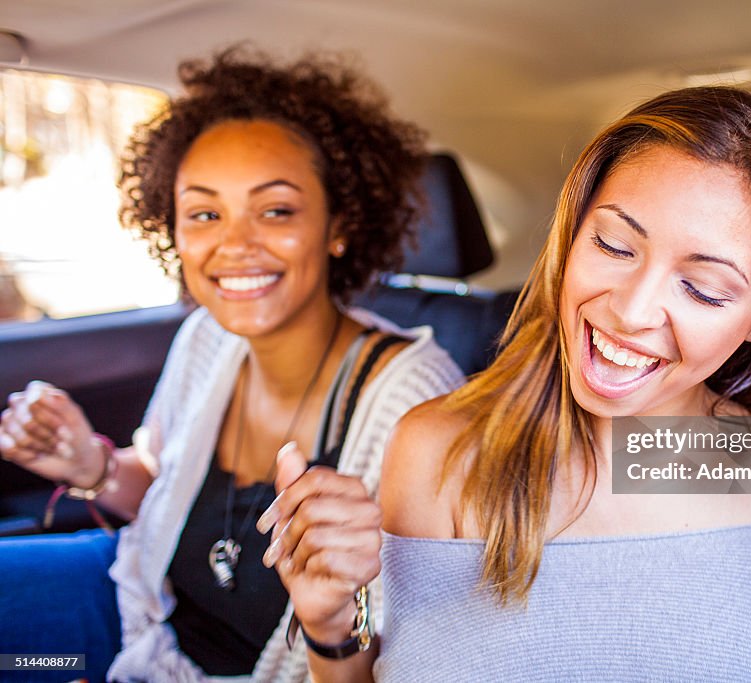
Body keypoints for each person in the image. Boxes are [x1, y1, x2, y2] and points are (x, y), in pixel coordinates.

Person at [263, 86, 751, 682]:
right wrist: (331, 624)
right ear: (572, 233)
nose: (629, 311)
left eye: (704, 288)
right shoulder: (434, 449)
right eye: (615, 244)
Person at [0, 48, 463, 682]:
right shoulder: (206, 339)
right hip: (138, 623)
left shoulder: (418, 401)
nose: (235, 245)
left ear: (340, 223)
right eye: (204, 214)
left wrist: (329, 625)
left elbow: (414, 659)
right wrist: (93, 465)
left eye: (275, 210)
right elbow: (166, 492)